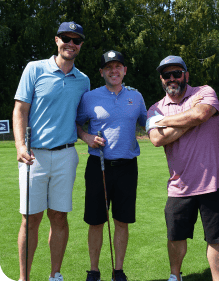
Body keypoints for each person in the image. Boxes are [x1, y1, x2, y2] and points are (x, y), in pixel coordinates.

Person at [13, 22, 90, 281]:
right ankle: (25, 278)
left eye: (76, 39)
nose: (71, 43)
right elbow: (20, 110)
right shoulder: (34, 69)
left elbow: (78, 120)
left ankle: (55, 274)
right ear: (57, 40)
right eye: (66, 38)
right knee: (31, 219)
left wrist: (87, 136)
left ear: (80, 45)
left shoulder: (83, 80)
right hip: (34, 155)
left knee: (58, 217)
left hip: (66, 155)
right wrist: (20, 146)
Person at [146, 55, 219, 281]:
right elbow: (156, 139)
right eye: (167, 75)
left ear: (186, 74)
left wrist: (166, 121)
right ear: (161, 79)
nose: (172, 78)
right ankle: (175, 276)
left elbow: (201, 113)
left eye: (177, 73)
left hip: (214, 181)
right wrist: (191, 120)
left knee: (216, 238)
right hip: (179, 185)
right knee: (176, 236)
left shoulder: (204, 92)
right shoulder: (155, 108)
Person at [76, 50, 147, 281]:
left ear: (124, 70)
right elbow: (76, 124)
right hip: (99, 165)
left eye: (118, 67)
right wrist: (86, 137)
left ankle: (118, 270)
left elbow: (150, 123)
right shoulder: (90, 97)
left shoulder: (136, 97)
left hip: (127, 166)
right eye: (109, 67)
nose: (114, 71)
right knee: (96, 220)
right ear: (101, 72)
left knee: (122, 220)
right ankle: (94, 270)